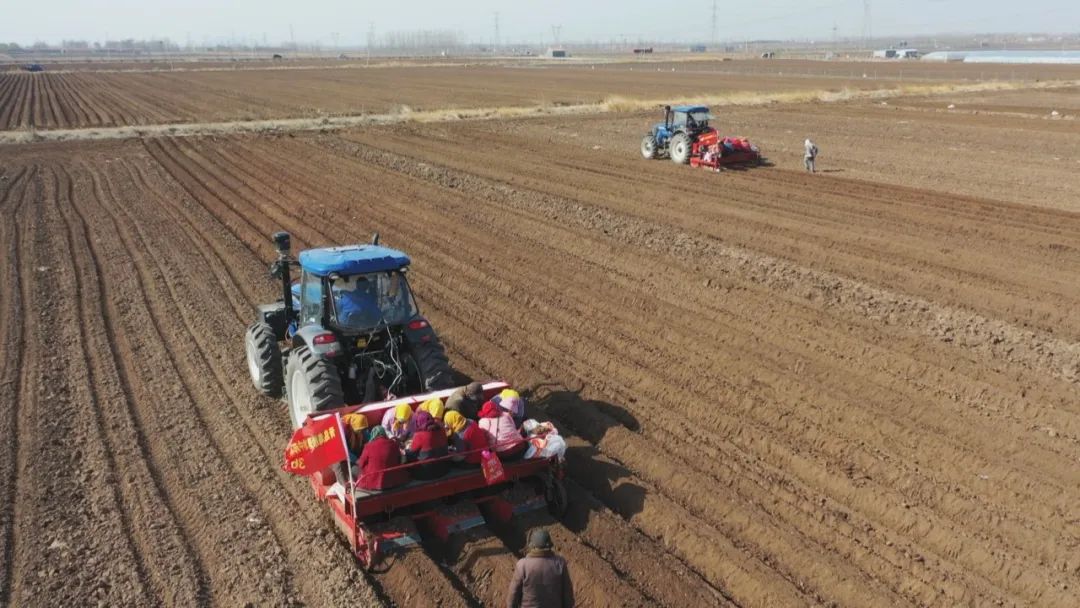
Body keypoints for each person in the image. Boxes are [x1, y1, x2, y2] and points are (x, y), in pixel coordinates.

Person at [506, 529, 575, 608]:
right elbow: (568, 595)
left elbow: (513, 595)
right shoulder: (560, 563)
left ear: (532, 546)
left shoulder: (522, 565)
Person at [357, 426, 410, 491]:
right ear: (384, 433)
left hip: (373, 482)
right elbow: (399, 459)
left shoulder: (368, 446)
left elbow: (361, 464)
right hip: (393, 480)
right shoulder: (393, 444)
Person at [404, 411, 450, 480]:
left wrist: (404, 450)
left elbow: (412, 453)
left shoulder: (419, 435)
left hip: (426, 473)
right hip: (444, 468)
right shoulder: (442, 430)